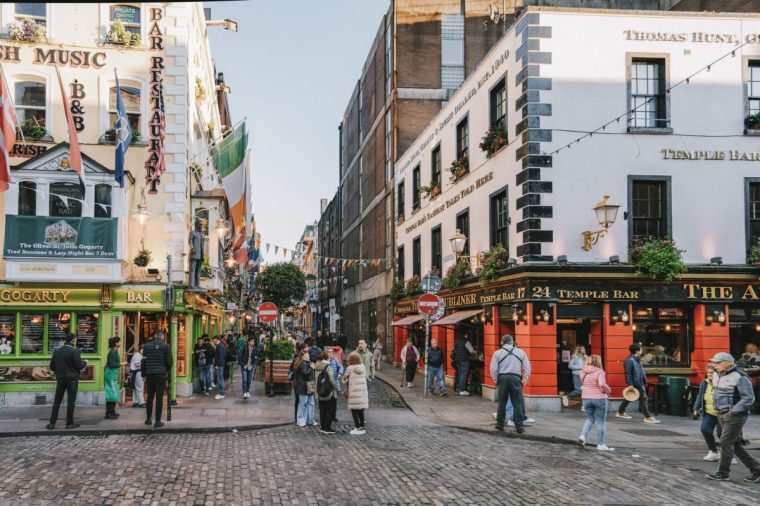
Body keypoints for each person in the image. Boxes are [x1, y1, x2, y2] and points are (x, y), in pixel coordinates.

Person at [705, 352, 760, 482]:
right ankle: (756, 469)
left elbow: (748, 398)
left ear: (729, 362)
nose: (715, 365)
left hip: (735, 415)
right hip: (721, 414)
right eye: (714, 362)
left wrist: (733, 412)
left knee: (725, 442)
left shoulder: (740, 376)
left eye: (718, 362)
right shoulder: (718, 374)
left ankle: (723, 473)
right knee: (733, 444)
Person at [490, 334, 531, 434]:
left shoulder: (497, 353)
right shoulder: (521, 352)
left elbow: (493, 369)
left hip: (503, 378)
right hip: (516, 378)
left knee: (502, 403)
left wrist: (495, 379)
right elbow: (527, 367)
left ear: (502, 342)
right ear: (512, 342)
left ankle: (500, 426)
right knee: (517, 403)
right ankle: (519, 427)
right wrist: (524, 379)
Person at [47, 333, 87, 430]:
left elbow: (52, 367)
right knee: (71, 401)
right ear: (73, 340)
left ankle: (52, 423)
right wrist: (85, 362)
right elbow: (79, 366)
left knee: (57, 401)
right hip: (72, 379)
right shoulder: (75, 351)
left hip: (60, 379)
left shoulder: (57, 351)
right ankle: (69, 423)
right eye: (75, 340)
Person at [694, 364, 733, 462]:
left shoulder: (723, 383)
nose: (710, 374)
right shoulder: (704, 383)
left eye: (712, 373)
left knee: (722, 434)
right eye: (708, 373)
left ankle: (729, 456)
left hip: (722, 412)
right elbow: (700, 396)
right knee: (705, 429)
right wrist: (696, 407)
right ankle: (713, 451)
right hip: (709, 412)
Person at [577, 355, 614, 451]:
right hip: (599, 398)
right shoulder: (600, 371)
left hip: (586, 398)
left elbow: (583, 384)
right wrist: (608, 390)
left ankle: (583, 436)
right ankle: (601, 444)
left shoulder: (582, 372)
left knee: (589, 419)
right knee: (600, 422)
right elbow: (601, 384)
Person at [616, 344, 660, 424]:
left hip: (638, 382)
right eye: (641, 349)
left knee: (629, 397)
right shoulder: (630, 360)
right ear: (637, 351)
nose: (642, 351)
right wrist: (630, 384)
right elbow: (628, 373)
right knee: (643, 399)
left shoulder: (636, 359)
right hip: (635, 383)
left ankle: (620, 412)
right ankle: (648, 417)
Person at [142, 329, 173, 429]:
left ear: (154, 335)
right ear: (162, 336)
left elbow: (143, 361)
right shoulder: (166, 346)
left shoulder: (146, 346)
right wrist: (166, 370)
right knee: (159, 398)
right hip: (161, 374)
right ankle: (158, 421)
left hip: (150, 373)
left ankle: (148, 419)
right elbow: (169, 362)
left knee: (150, 397)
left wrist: (143, 374)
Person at [343, 352, 369, 435]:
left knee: (354, 410)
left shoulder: (350, 368)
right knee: (361, 410)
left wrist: (346, 380)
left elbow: (344, 378)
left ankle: (357, 428)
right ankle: (362, 428)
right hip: (362, 393)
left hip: (354, 393)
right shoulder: (363, 367)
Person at [315, 351, 338, 434]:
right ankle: (327, 428)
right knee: (330, 410)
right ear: (327, 358)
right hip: (329, 392)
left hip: (319, 391)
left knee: (322, 410)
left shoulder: (317, 366)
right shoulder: (328, 367)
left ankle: (322, 426)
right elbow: (331, 380)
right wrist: (337, 388)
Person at [295, 348, 316, 427]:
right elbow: (305, 373)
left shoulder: (306, 362)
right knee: (303, 403)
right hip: (304, 386)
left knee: (310, 403)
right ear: (303, 356)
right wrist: (311, 368)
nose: (309, 356)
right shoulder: (302, 363)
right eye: (307, 355)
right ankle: (301, 420)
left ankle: (309, 420)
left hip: (309, 385)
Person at [104, 337, 124, 420]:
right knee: (111, 393)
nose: (120, 343)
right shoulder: (112, 352)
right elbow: (112, 364)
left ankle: (111, 411)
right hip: (111, 374)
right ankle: (109, 413)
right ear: (116, 343)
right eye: (119, 342)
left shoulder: (114, 351)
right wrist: (122, 364)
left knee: (113, 393)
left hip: (112, 374)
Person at [212, 335, 227, 400]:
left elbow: (220, 356)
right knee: (221, 379)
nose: (213, 341)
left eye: (213, 340)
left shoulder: (219, 346)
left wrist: (217, 365)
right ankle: (221, 392)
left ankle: (222, 393)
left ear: (216, 339)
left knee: (220, 379)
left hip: (220, 365)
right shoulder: (221, 346)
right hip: (221, 365)